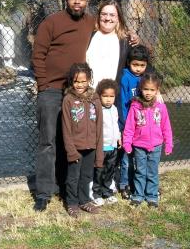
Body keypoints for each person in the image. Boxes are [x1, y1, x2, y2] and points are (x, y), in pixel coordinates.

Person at [31, 0, 95, 212]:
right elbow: (38, 55)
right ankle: (43, 193)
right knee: (48, 141)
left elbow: (112, 29)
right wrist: (43, 85)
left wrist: (133, 38)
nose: (77, 1)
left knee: (70, 141)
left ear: (87, 1)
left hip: (75, 92)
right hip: (51, 91)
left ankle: (65, 186)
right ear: (66, 0)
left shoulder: (91, 22)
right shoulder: (52, 22)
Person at [122, 72, 173, 207]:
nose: (148, 93)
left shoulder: (161, 107)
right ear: (140, 89)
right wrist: (127, 142)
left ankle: (151, 196)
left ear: (157, 91)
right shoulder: (135, 106)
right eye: (146, 89)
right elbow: (129, 127)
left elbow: (166, 126)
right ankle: (138, 195)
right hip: (139, 145)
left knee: (152, 172)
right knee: (140, 171)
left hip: (156, 145)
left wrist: (169, 143)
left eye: (152, 90)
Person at [61, 63, 103, 218]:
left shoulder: (95, 99)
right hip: (75, 148)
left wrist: (99, 153)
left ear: (89, 80)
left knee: (86, 176)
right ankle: (72, 203)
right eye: (76, 81)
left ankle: (84, 200)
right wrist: (71, 151)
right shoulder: (68, 100)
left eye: (83, 81)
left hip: (91, 147)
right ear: (72, 81)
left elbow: (99, 127)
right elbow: (66, 127)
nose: (80, 84)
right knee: (73, 177)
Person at [118, 45, 150, 199]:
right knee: (126, 157)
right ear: (129, 63)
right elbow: (123, 102)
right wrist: (124, 126)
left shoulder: (145, 79)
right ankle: (124, 184)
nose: (138, 68)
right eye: (135, 65)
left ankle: (141, 184)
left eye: (142, 65)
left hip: (142, 125)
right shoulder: (125, 78)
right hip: (128, 125)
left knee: (141, 158)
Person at [86, 0, 139, 88]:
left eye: (112, 15)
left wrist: (155, 87)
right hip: (88, 93)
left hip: (112, 96)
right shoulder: (88, 36)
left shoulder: (126, 41)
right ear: (99, 16)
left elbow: (141, 61)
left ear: (118, 18)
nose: (107, 18)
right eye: (104, 14)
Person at [92, 78, 121, 206]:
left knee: (110, 170)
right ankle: (96, 193)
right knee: (99, 170)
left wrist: (119, 137)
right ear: (99, 96)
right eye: (105, 96)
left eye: (112, 96)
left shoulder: (114, 109)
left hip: (113, 146)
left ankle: (107, 192)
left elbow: (116, 125)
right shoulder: (97, 110)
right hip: (101, 147)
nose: (108, 99)